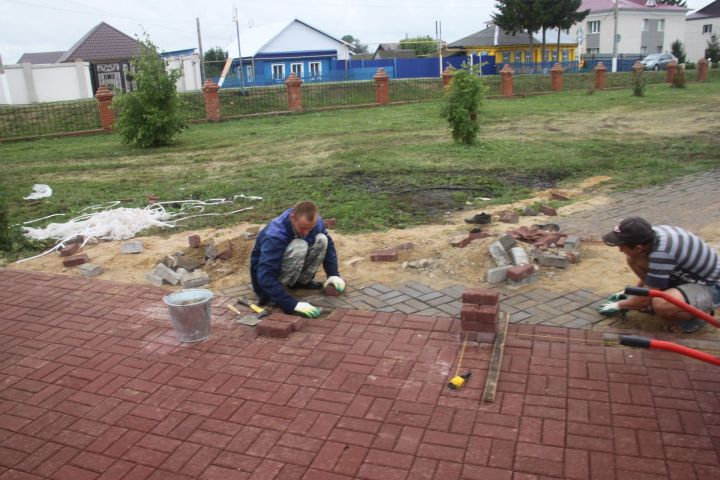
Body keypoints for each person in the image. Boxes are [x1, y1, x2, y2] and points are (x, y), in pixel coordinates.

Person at [598, 217, 720, 333]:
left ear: (639, 247)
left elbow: (645, 299)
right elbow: (652, 277)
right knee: (633, 259)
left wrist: (619, 305)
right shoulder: (650, 236)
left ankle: (700, 315)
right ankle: (677, 296)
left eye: (621, 246)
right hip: (686, 275)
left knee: (661, 304)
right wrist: (635, 292)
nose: (620, 249)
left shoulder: (662, 254)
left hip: (711, 285)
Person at [250, 201, 345, 318]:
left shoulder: (314, 223)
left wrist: (333, 274)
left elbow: (328, 244)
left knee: (322, 239)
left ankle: (299, 283)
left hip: (284, 264)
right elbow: (265, 275)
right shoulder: (275, 235)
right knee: (299, 245)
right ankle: (274, 295)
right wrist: (291, 304)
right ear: (292, 218)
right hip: (264, 281)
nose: (306, 232)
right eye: (303, 228)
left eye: (310, 228)